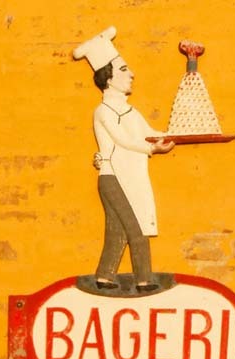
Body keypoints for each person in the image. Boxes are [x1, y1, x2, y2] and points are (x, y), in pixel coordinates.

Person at [73, 28, 174, 291]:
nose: (132, 74)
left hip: (128, 176)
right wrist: (152, 149)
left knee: (117, 230)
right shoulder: (103, 110)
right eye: (124, 70)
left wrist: (176, 135)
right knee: (136, 226)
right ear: (109, 78)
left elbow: (150, 133)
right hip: (113, 177)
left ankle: (105, 276)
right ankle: (144, 279)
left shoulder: (130, 110)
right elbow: (123, 139)